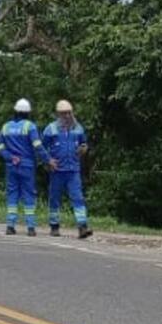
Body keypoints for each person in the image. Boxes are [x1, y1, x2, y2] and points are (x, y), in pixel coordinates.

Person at [0, 98, 46, 236]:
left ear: (15, 111)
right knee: (28, 194)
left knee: (12, 194)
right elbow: (37, 146)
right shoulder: (30, 126)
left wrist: (10, 157)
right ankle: (31, 227)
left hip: (11, 165)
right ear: (28, 113)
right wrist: (48, 160)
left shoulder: (6, 127)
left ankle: (10, 225)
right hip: (27, 165)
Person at [42, 99, 93, 239]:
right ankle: (54, 226)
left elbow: (84, 143)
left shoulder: (78, 128)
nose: (67, 116)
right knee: (55, 198)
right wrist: (48, 160)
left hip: (73, 170)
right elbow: (41, 148)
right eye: (64, 113)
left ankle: (82, 227)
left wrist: (83, 148)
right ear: (58, 114)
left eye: (69, 113)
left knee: (78, 198)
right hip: (57, 170)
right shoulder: (50, 129)